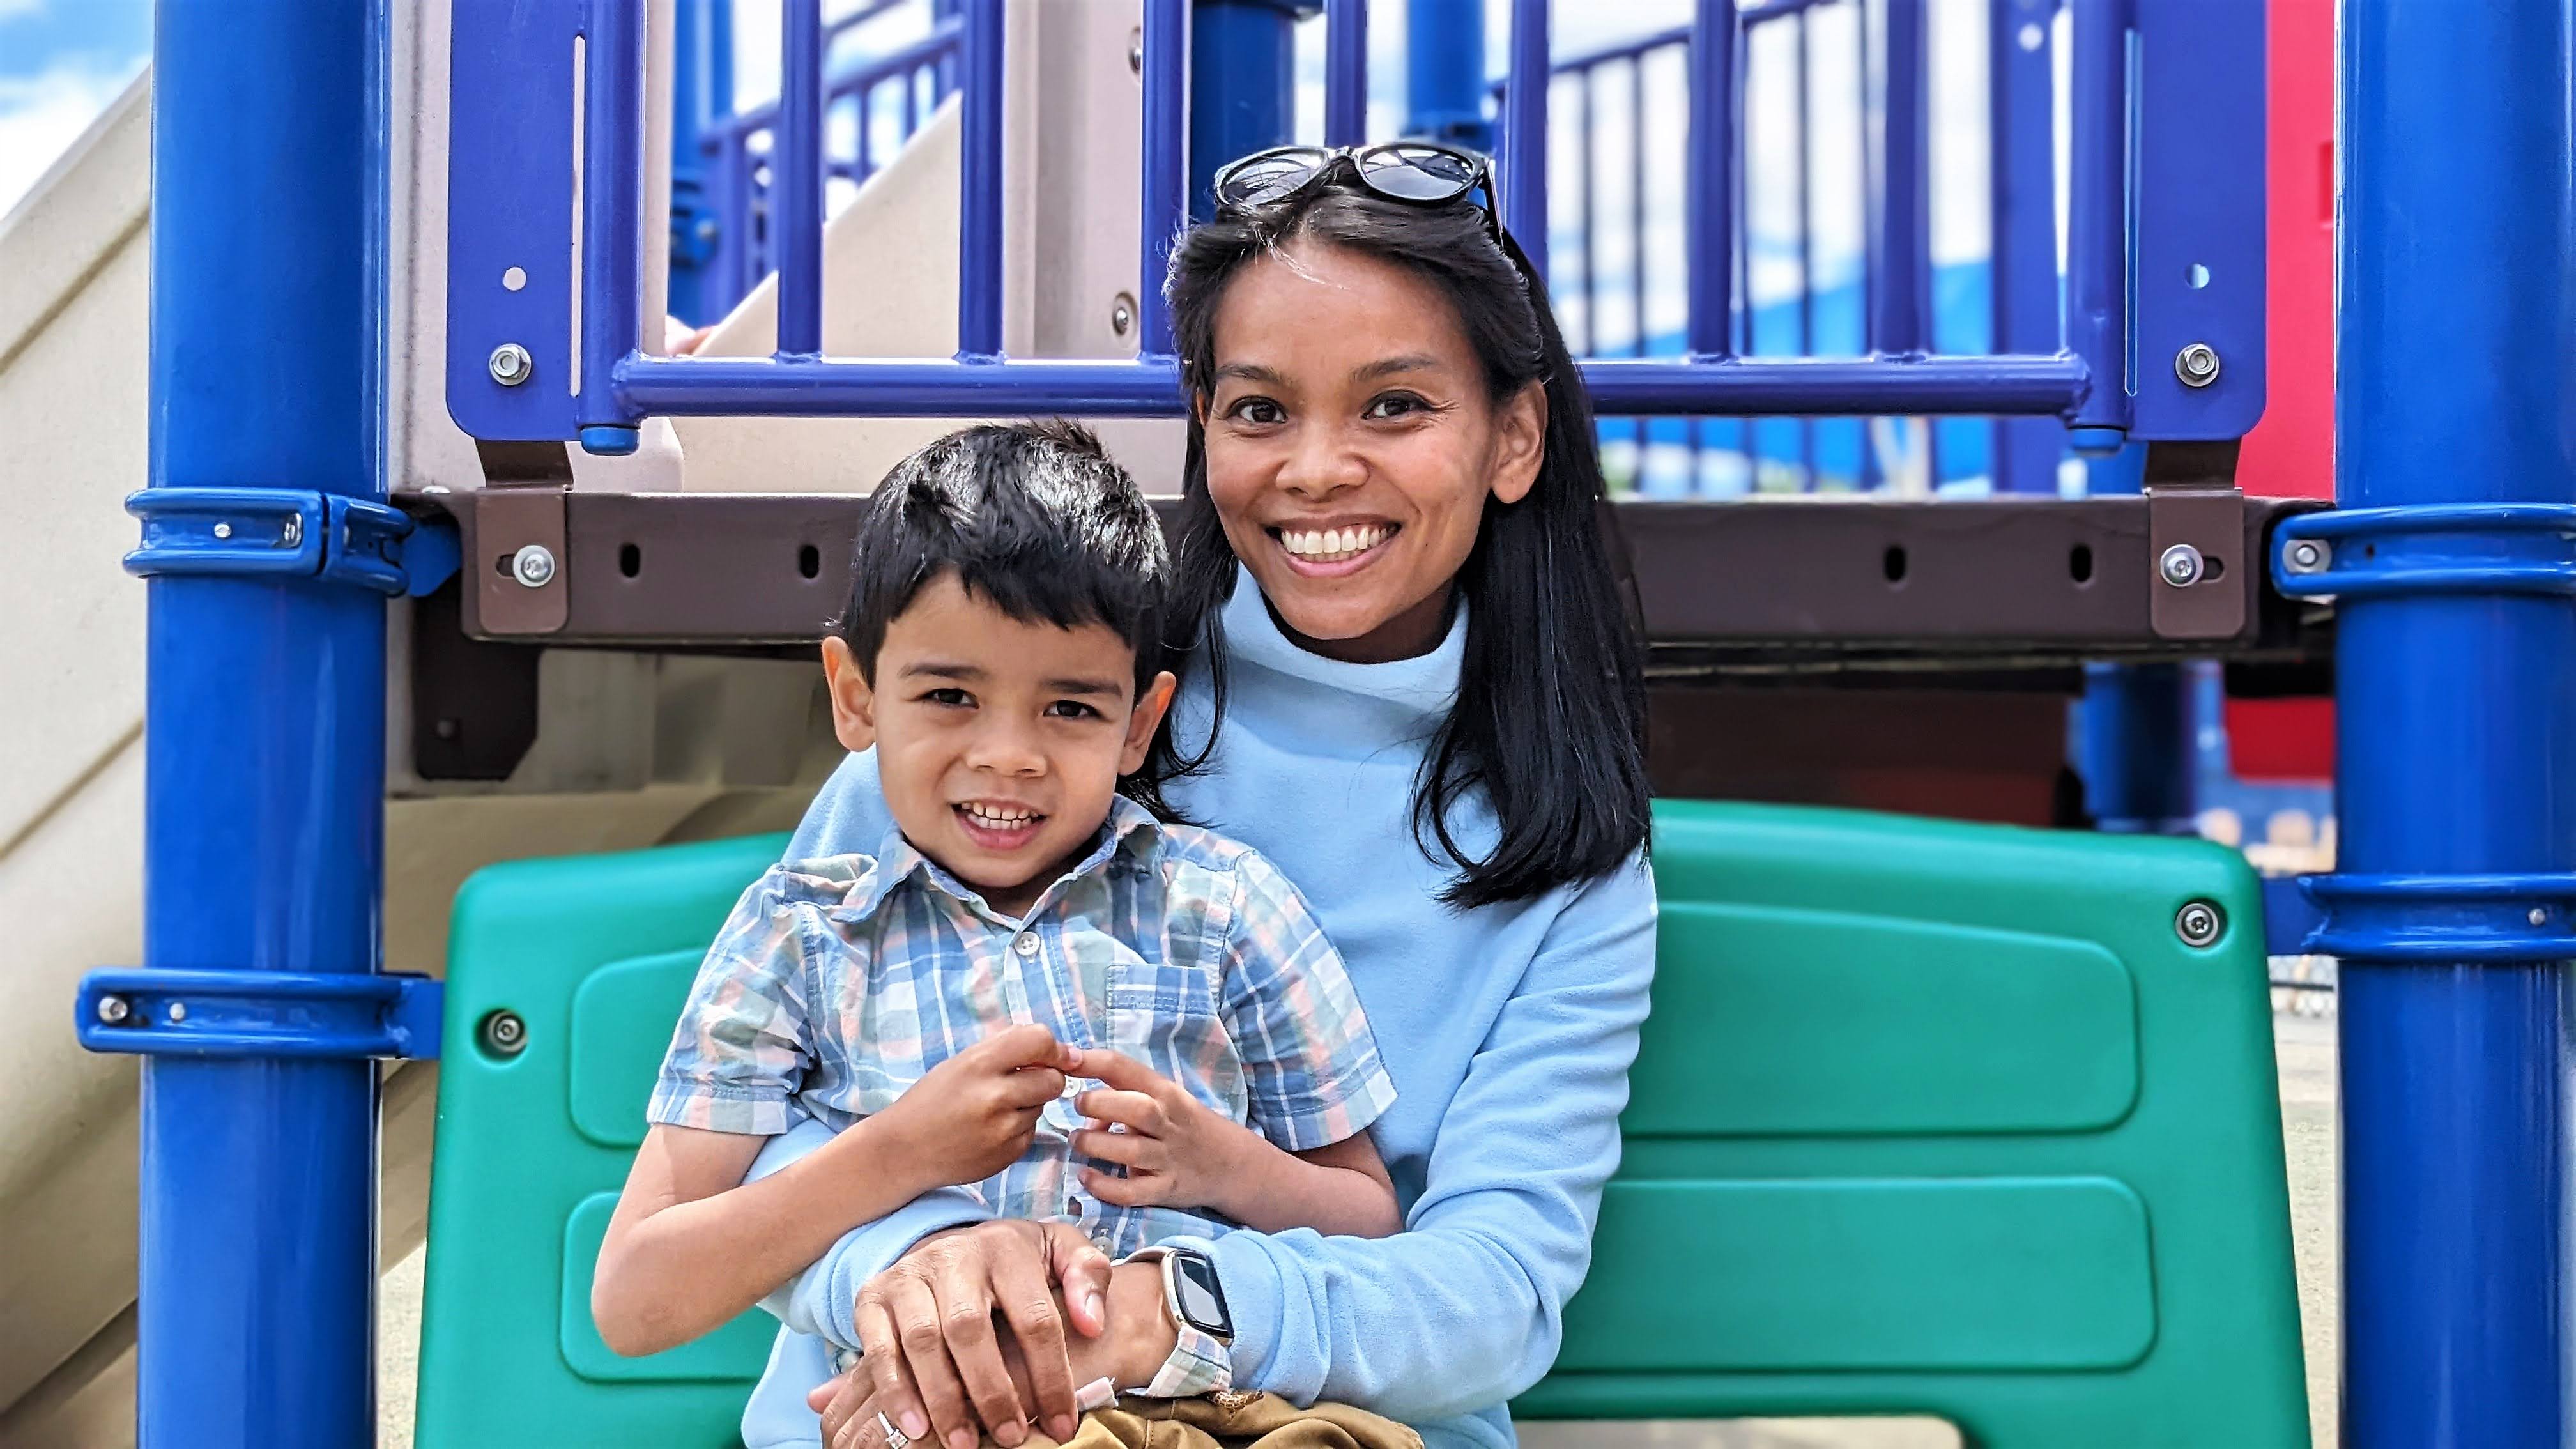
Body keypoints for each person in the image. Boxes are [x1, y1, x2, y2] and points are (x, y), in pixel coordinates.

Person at [760, 142, 1658, 1449]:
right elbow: (743, 1151)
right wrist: (912, 1271)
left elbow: (1499, 1293)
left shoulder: (1566, 857)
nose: (1315, 470)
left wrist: (1167, 1314)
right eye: (1258, 412)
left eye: (1395, 407)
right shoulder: (992, 738)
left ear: (1515, 437)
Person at [589, 421, 1412, 1441]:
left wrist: (1223, 1166)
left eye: (1069, 708)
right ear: (856, 696)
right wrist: (899, 1153)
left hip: (1201, 1407)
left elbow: (1372, 1218)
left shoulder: (1226, 908)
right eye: (948, 697)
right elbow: (635, 1296)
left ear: (1139, 726)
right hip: (924, 1420)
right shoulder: (801, 935)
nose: (1010, 756)